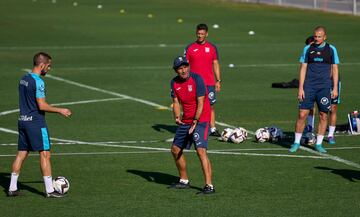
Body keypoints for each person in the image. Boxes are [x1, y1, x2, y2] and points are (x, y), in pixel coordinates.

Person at [7, 52, 72, 198]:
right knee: (45, 154)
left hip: (23, 120)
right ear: (42, 65)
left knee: (21, 154)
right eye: (49, 66)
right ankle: (50, 190)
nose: (49, 69)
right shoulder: (39, 82)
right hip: (36, 123)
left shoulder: (23, 79)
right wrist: (60, 110)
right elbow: (41, 105)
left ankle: (12, 187)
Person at [169, 56, 215, 194]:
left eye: (185, 67)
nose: (183, 70)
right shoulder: (174, 83)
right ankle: (184, 180)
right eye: (180, 68)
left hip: (201, 119)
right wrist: (177, 116)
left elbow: (200, 102)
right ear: (176, 70)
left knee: (201, 151)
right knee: (175, 149)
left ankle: (209, 186)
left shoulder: (197, 79)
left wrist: (195, 121)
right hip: (186, 120)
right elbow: (176, 102)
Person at [289, 26, 339, 153]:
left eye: (319, 36)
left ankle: (319, 144)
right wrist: (301, 88)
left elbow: (335, 69)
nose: (317, 39)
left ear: (325, 37)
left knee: (323, 115)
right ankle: (296, 142)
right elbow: (303, 68)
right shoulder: (307, 49)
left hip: (324, 87)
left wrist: (335, 89)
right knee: (302, 114)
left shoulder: (331, 49)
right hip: (309, 86)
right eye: (315, 36)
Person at [184, 23, 221, 137]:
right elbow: (185, 65)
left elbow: (215, 63)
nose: (200, 36)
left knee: (210, 105)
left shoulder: (212, 48)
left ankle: (213, 129)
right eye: (198, 34)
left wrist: (218, 80)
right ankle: (193, 127)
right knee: (194, 105)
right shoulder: (190, 48)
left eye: (202, 34)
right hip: (194, 83)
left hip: (209, 82)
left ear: (207, 34)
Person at [304, 35, 341, 145]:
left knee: (333, 108)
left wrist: (333, 87)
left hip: (330, 82)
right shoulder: (308, 52)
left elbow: (332, 69)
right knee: (310, 106)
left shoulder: (328, 50)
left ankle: (330, 135)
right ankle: (310, 127)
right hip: (315, 84)